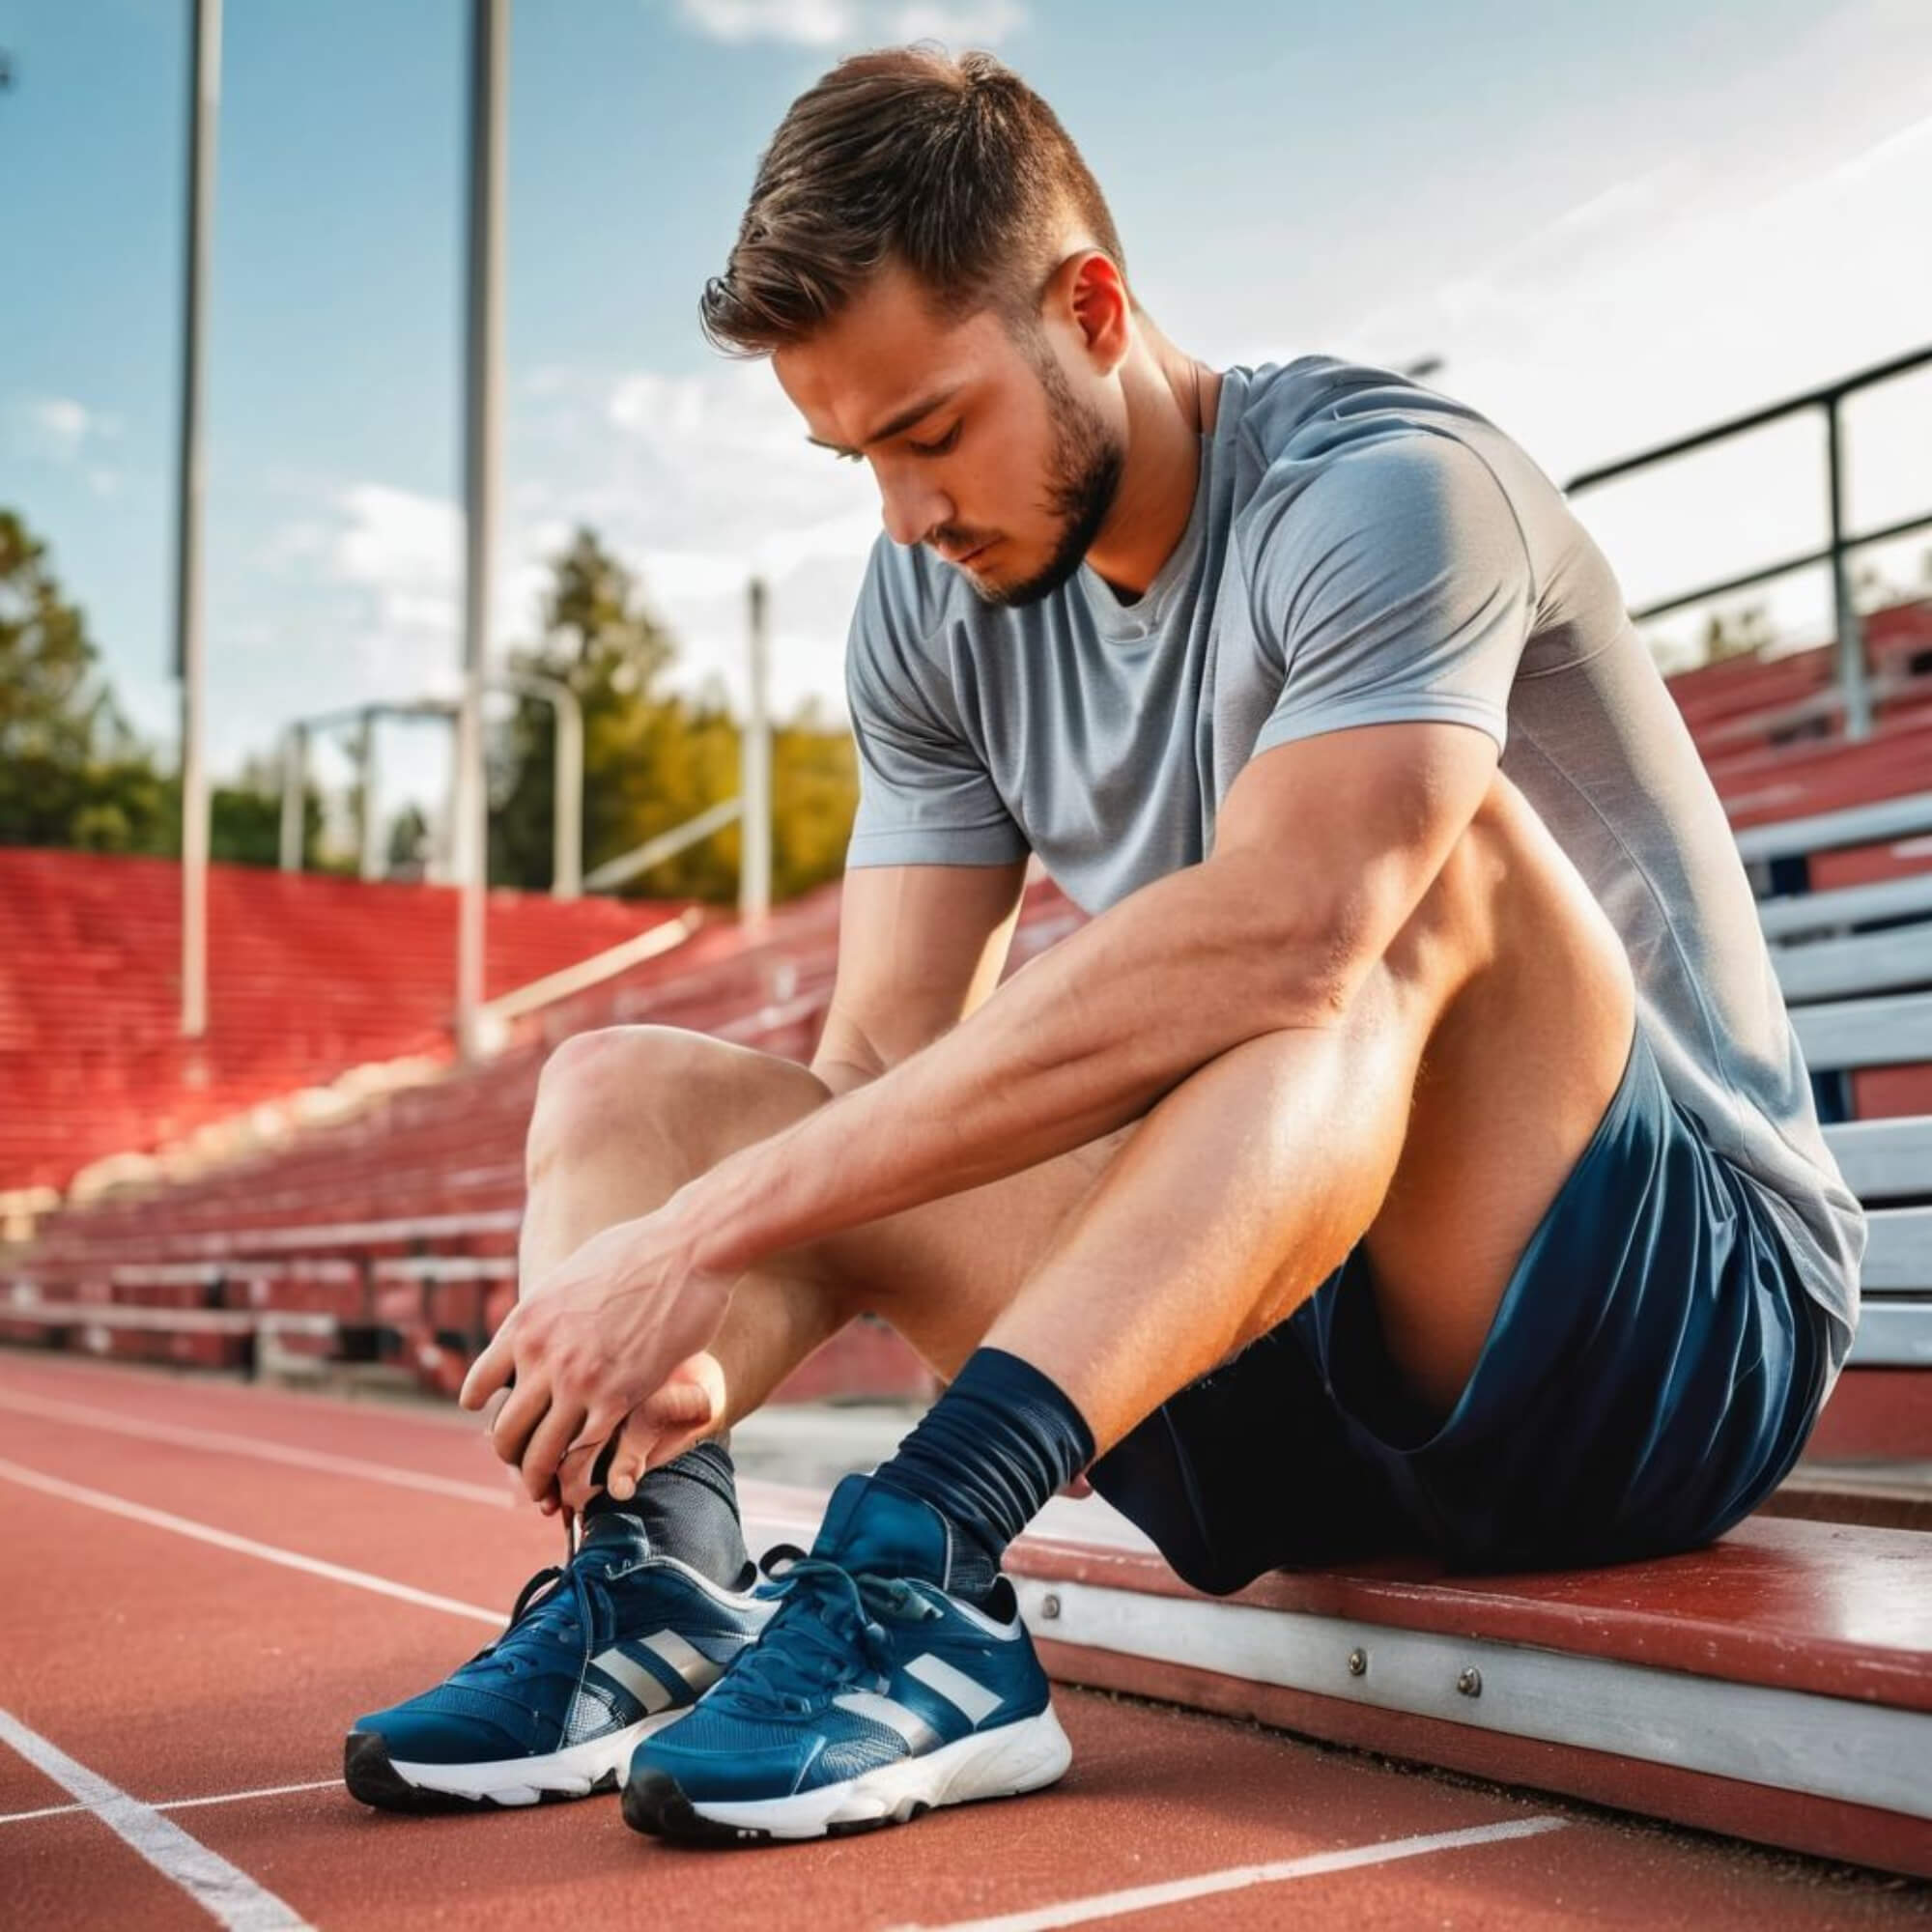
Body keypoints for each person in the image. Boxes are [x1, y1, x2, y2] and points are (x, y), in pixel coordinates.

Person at [344, 45, 1863, 1842]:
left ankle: (924, 1567)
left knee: (1398, 890)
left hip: (1657, 1343)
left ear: (1091, 304)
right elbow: (885, 1068)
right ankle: (658, 1582)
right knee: (633, 1092)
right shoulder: (931, 603)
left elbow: (1306, 930)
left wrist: (702, 1242)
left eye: (929, 432)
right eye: (853, 458)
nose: (906, 514)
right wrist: (687, 1232)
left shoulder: (1391, 491)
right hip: (1290, 1337)